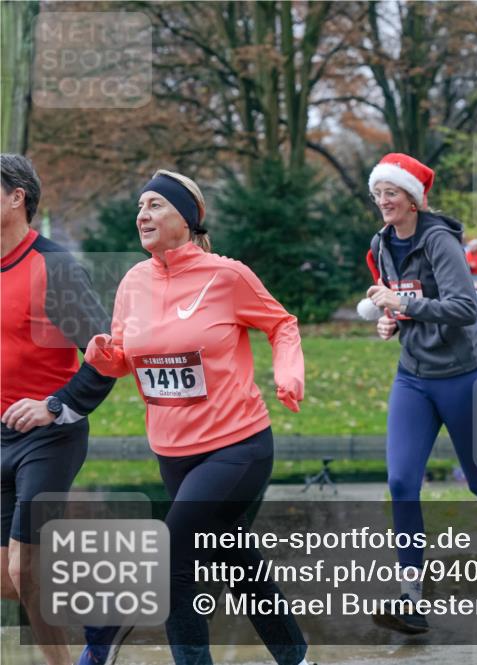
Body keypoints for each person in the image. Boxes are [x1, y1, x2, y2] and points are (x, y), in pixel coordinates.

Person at [84, 169, 310, 665]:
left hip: (238, 446)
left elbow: (283, 324)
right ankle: (297, 658)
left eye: (155, 205)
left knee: (173, 562)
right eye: (140, 206)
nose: (142, 214)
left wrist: (288, 371)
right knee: (237, 562)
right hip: (172, 453)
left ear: (185, 219)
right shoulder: (133, 282)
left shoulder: (226, 275)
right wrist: (106, 356)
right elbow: (126, 356)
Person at [364, 153, 477, 633]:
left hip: (464, 379)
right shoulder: (381, 244)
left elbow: (462, 308)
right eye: (378, 194)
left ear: (413, 199)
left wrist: (405, 303)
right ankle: (411, 599)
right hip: (413, 378)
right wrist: (390, 320)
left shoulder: (440, 240)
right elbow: (403, 303)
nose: (383, 201)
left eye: (391, 193)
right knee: (401, 482)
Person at [1, 154, 117, 665]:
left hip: (47, 436)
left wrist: (56, 406)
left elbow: (108, 356)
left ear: (16, 197)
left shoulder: (55, 268)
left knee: (25, 567)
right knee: (13, 576)